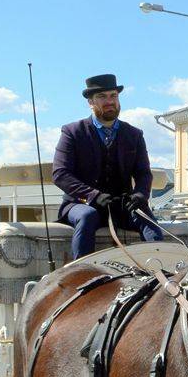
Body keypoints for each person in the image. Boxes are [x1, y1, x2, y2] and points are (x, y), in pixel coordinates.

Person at [52, 73, 162, 260]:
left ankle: (161, 273)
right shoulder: (73, 132)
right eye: (102, 97)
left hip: (121, 205)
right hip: (81, 204)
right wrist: (93, 195)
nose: (110, 101)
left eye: (113, 96)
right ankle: (81, 272)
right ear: (91, 102)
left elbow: (143, 173)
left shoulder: (134, 134)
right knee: (88, 216)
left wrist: (140, 195)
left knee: (148, 220)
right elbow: (60, 174)